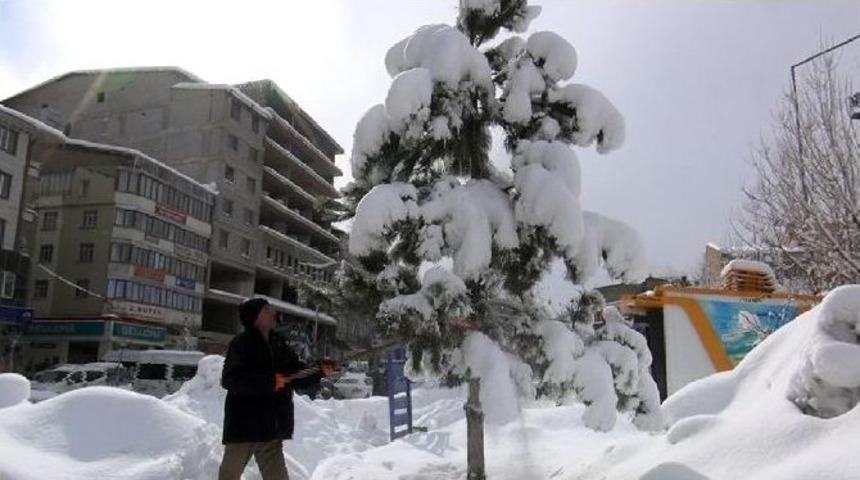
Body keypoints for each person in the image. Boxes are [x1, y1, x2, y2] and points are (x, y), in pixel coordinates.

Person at [219, 298, 336, 480]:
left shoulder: (278, 343)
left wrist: (318, 370)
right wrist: (269, 382)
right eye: (266, 309)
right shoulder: (241, 344)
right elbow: (230, 380)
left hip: (270, 427)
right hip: (244, 426)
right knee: (229, 476)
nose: (273, 311)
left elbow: (295, 374)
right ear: (256, 317)